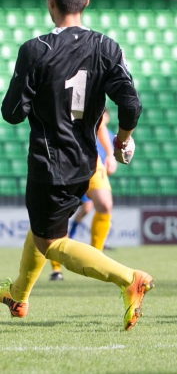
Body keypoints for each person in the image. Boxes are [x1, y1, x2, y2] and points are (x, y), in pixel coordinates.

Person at [0, 0, 152, 330]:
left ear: (50, 1)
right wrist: (122, 139)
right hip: (86, 161)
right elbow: (130, 104)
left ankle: (129, 279)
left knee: (53, 242)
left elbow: (12, 114)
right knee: (43, 227)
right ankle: (18, 295)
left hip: (49, 162)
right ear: (85, 1)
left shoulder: (35, 50)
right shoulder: (106, 46)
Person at [49, 109, 117, 281]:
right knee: (58, 214)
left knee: (104, 204)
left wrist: (110, 154)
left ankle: (96, 259)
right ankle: (56, 269)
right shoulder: (55, 89)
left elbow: (99, 125)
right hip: (62, 160)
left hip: (91, 161)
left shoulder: (91, 89)